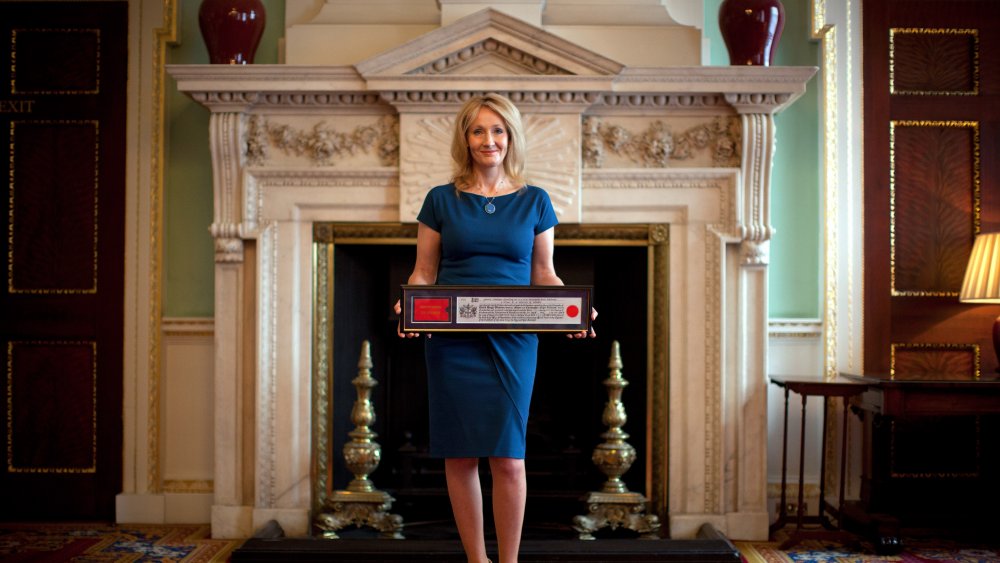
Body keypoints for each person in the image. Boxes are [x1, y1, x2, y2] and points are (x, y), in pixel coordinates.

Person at [394, 92, 596, 563]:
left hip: (513, 340)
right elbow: (424, 271)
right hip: (451, 341)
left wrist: (574, 310)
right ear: (465, 138)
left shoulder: (535, 201)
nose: (489, 140)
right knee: (460, 455)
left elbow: (544, 273)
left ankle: (508, 561)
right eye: (479, 130)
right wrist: (408, 303)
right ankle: (476, 561)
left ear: (511, 137)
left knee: (509, 457)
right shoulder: (440, 199)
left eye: (499, 130)